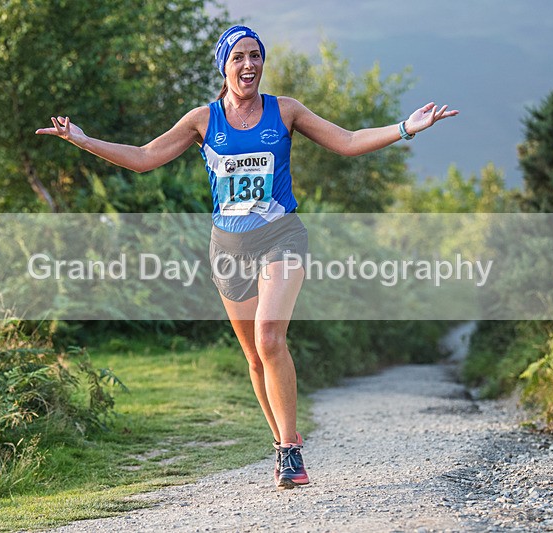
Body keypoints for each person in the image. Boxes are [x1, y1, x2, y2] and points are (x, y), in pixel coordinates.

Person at [36, 24, 458, 489]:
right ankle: (281, 441)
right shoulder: (203, 120)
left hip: (281, 236)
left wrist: (405, 128)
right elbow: (142, 156)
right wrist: (82, 139)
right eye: (238, 57)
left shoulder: (286, 111)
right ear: (224, 66)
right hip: (228, 249)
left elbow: (348, 141)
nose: (249, 65)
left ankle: (292, 453)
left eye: (255, 56)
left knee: (270, 339)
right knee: (255, 358)